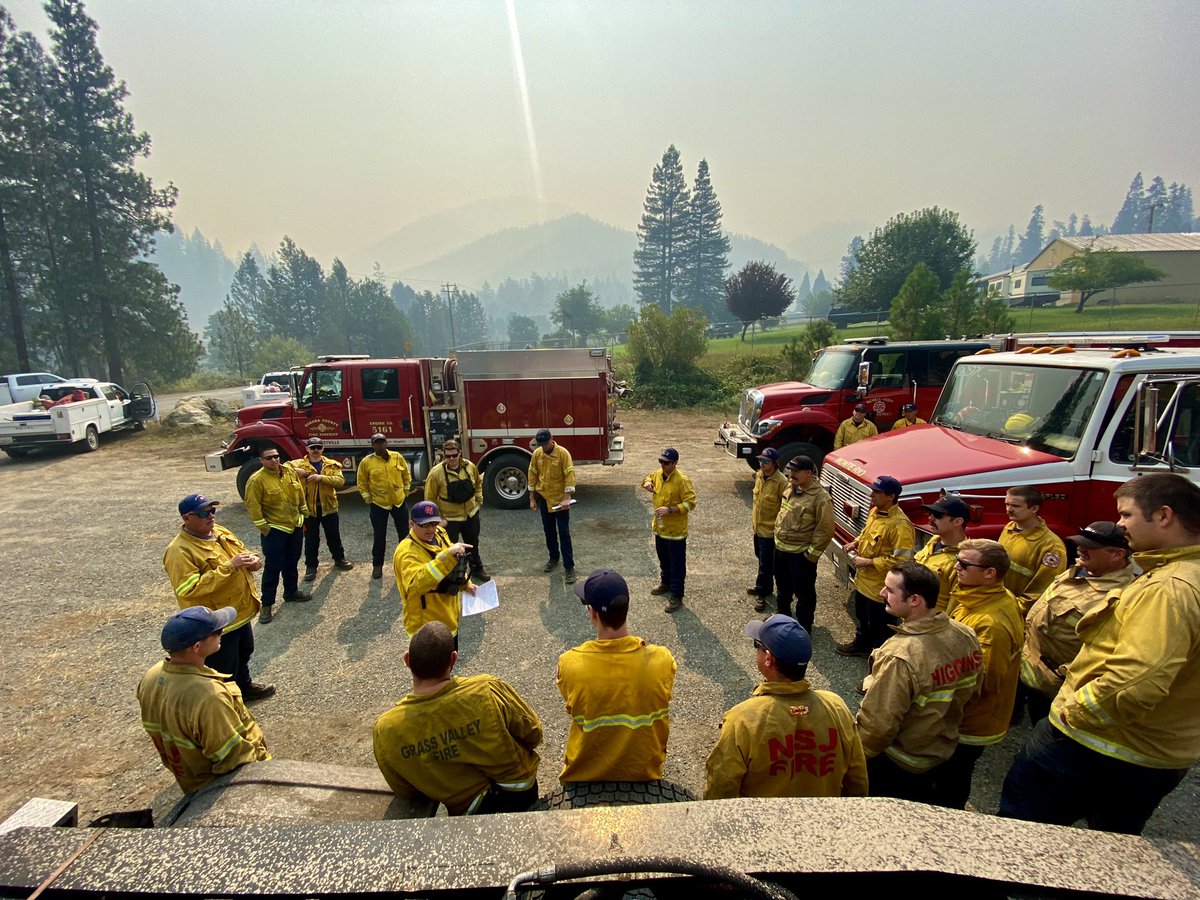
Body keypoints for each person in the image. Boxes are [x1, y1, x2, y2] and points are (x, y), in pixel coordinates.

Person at [1000, 474, 1200, 834]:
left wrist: (1074, 712)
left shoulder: (1170, 589)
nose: (1121, 524)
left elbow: (1137, 679)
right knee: (1109, 848)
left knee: (1020, 837)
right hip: (1153, 753)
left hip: (1098, 746)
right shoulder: (1185, 576)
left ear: (1164, 516)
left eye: (1127, 514)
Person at [373, 622, 542, 815]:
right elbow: (533, 732)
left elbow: (404, 788)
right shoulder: (486, 690)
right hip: (519, 790)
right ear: (453, 658)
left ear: (407, 660)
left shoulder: (386, 729)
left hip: (465, 811)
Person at [856, 562, 982, 803]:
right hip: (942, 754)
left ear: (914, 600)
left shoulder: (900, 656)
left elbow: (878, 726)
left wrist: (854, 760)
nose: (882, 594)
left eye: (890, 590)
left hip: (897, 764)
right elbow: (972, 693)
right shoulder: (965, 634)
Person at [705, 615, 867, 799]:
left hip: (763, 825)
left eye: (757, 645)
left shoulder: (742, 720)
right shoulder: (836, 707)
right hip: (822, 822)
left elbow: (721, 789)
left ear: (768, 659)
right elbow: (857, 779)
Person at [557, 568, 676, 782]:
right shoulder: (662, 659)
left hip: (585, 772)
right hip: (644, 771)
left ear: (592, 613)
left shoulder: (569, 663)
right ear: (626, 608)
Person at [137, 606, 270, 792]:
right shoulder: (209, 697)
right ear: (197, 647)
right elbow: (236, 760)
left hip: (191, 779)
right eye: (217, 632)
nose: (222, 633)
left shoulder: (152, 676)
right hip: (221, 788)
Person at [931, 538, 1022, 809]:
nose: (955, 567)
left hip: (968, 723)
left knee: (950, 780)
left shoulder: (990, 623)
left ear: (990, 573)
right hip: (959, 717)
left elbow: (983, 683)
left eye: (963, 564)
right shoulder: (975, 596)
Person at [1019, 521, 1135, 724]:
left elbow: (1109, 654)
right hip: (1034, 676)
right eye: (1080, 543)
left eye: (1090, 547)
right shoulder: (1077, 571)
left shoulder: (1120, 598)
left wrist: (1062, 675)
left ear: (1117, 555)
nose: (1080, 548)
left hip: (1058, 690)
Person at [162, 494, 275, 700]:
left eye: (212, 510)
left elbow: (242, 552)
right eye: (204, 513)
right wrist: (229, 567)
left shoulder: (219, 531)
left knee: (244, 652)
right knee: (223, 665)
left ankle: (244, 687)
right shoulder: (179, 551)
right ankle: (225, 701)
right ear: (187, 518)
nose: (211, 516)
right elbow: (189, 589)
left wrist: (254, 561)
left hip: (239, 612)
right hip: (215, 621)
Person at [837, 475, 915, 656]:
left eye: (877, 492)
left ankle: (879, 662)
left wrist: (870, 562)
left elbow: (902, 561)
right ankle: (861, 645)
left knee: (881, 629)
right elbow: (867, 534)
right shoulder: (875, 512)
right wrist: (855, 543)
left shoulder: (900, 525)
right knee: (862, 619)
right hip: (864, 582)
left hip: (880, 589)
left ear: (891, 497)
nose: (872, 495)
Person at [394, 500, 476, 646]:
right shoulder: (407, 552)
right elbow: (415, 586)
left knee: (448, 667)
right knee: (432, 669)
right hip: (426, 631)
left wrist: (465, 583)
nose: (431, 529)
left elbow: (454, 564)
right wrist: (446, 557)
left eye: (433, 523)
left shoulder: (440, 533)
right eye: (424, 525)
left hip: (448, 622)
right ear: (411, 524)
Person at [244, 446, 311, 624]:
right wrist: (266, 529)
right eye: (269, 458)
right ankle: (267, 605)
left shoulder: (289, 471)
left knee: (292, 561)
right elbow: (253, 507)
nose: (274, 460)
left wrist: (303, 514)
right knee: (273, 567)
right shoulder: (256, 480)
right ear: (261, 460)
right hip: (275, 530)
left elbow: (300, 493)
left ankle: (291, 591)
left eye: (276, 456)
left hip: (294, 526)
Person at [769, 455, 834, 632]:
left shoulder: (820, 498)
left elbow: (825, 529)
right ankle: (782, 618)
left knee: (803, 593)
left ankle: (803, 627)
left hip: (801, 556)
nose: (792, 474)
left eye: (796, 471)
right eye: (790, 470)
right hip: (781, 550)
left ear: (809, 473)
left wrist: (810, 556)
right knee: (782, 588)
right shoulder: (791, 488)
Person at [289, 437, 353, 582]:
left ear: (323, 449)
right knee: (311, 539)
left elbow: (340, 481)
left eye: (319, 447)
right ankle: (311, 567)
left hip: (329, 508)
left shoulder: (332, 465)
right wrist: (299, 471)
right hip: (309, 510)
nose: (316, 450)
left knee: (333, 536)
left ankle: (339, 560)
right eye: (313, 447)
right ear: (307, 449)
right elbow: (282, 467)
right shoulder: (298, 464)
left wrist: (321, 478)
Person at [424, 439, 489, 583]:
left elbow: (478, 484)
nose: (451, 459)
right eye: (448, 456)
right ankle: (452, 575)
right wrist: (438, 519)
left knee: (473, 544)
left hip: (470, 515)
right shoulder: (436, 473)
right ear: (444, 455)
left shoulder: (470, 466)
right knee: (450, 549)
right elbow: (429, 500)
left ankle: (477, 569)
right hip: (450, 519)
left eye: (454, 455)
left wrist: (479, 501)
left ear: (460, 453)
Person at [642, 448, 697, 613]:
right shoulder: (658, 474)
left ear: (675, 463)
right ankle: (665, 583)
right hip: (660, 529)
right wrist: (646, 483)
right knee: (663, 559)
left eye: (666, 463)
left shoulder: (682, 481)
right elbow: (648, 477)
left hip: (675, 532)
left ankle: (677, 595)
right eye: (661, 461)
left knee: (677, 565)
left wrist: (671, 510)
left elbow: (691, 503)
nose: (662, 465)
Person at [999, 486, 1067, 616]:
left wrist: (1015, 610)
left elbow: (1042, 589)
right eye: (1007, 504)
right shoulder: (1010, 528)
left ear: (1034, 509)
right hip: (999, 603)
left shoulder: (1051, 546)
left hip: (1017, 613)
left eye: (1015, 506)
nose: (1009, 509)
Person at [358, 433, 413, 580]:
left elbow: (406, 475)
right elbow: (362, 482)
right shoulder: (366, 462)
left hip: (399, 502)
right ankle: (377, 566)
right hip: (379, 504)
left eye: (382, 442)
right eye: (377, 443)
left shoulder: (397, 457)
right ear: (373, 445)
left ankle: (405, 564)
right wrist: (367, 498)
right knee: (379, 536)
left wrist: (406, 490)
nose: (380, 445)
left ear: (386, 443)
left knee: (404, 534)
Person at [528, 428, 576, 583]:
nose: (543, 447)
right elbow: (532, 474)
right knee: (549, 531)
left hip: (560, 501)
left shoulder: (563, 454)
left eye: (545, 443)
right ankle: (553, 558)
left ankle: (569, 567)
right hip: (544, 498)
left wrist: (566, 498)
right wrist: (532, 498)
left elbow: (569, 475)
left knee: (564, 533)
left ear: (552, 439)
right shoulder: (537, 454)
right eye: (540, 444)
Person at [914, 494, 970, 613]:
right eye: (930, 513)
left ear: (958, 522)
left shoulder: (963, 561)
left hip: (932, 625)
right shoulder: (933, 541)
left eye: (937, 515)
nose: (930, 519)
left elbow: (955, 606)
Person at [746, 447, 788, 606]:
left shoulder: (782, 482)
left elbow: (785, 508)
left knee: (766, 563)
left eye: (766, 461)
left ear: (775, 464)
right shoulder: (759, 476)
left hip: (770, 532)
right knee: (761, 558)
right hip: (757, 528)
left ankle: (762, 593)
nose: (762, 464)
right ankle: (765, 586)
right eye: (760, 461)